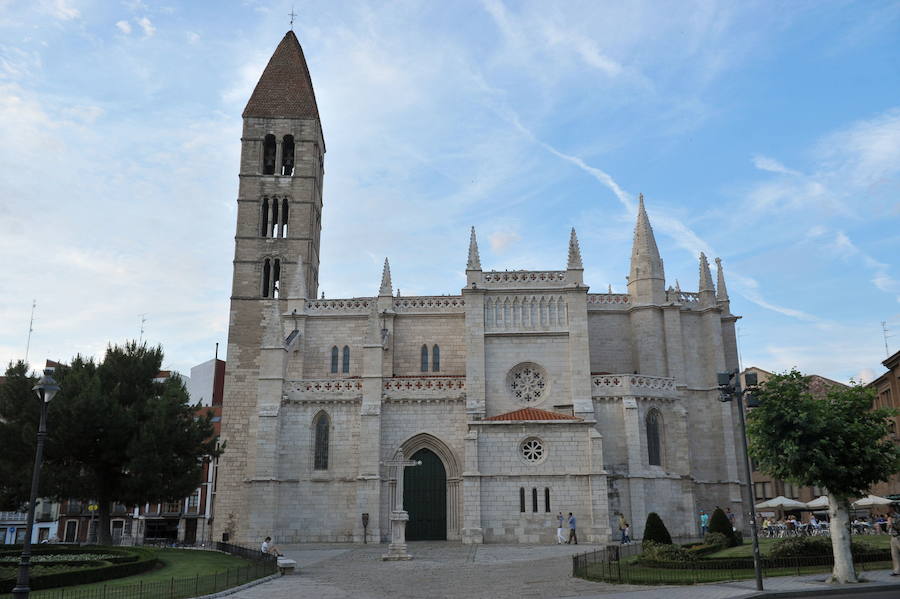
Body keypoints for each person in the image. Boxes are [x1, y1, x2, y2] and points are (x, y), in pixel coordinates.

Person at [889, 510, 900, 576]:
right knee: (894, 555)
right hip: (893, 537)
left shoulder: (898, 517)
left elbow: (898, 527)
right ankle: (897, 570)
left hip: (898, 537)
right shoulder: (891, 517)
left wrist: (892, 524)